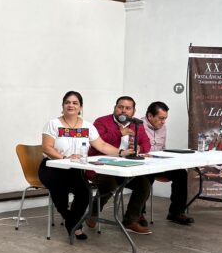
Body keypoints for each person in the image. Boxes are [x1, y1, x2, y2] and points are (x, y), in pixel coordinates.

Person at [38, 91, 130, 240]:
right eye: (67, 102)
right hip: (52, 167)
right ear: (62, 106)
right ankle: (73, 223)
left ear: (80, 107)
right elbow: (47, 148)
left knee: (84, 193)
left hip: (75, 169)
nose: (71, 105)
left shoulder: (87, 126)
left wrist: (121, 152)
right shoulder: (53, 124)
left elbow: (101, 145)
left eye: (75, 103)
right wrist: (65, 157)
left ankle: (72, 222)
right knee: (59, 191)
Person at [89, 96, 153, 234]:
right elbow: (98, 142)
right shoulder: (101, 121)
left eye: (128, 108)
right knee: (109, 183)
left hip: (124, 168)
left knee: (143, 184)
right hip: (100, 167)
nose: (123, 111)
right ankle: (92, 213)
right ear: (115, 108)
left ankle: (130, 221)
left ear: (133, 111)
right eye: (120, 107)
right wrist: (119, 133)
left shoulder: (137, 124)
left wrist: (139, 149)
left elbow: (146, 143)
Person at [143, 101, 194, 225]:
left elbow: (162, 149)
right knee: (146, 175)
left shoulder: (163, 128)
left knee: (181, 173)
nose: (163, 122)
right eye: (161, 118)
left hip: (158, 163)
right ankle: (138, 214)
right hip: (144, 164)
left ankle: (176, 212)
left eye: (165, 119)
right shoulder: (138, 126)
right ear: (150, 116)